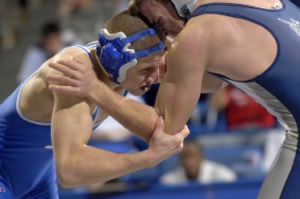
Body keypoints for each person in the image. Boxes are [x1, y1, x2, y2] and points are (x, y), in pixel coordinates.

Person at [46, 0, 300, 198]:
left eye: (158, 22)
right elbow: (216, 80)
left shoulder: (195, 36)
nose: (163, 34)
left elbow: (163, 131)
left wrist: (94, 88)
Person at [0, 11, 189, 199]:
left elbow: (167, 131)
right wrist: (147, 159)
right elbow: (68, 171)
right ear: (116, 61)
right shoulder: (72, 69)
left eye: (157, 67)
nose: (155, 78)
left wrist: (95, 89)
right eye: (147, 69)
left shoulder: (118, 72)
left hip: (39, 180)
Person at [160, 141, 237, 185]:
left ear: (201, 157)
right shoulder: (171, 180)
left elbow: (232, 180)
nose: (189, 162)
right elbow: (163, 183)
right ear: (180, 160)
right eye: (185, 157)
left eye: (193, 156)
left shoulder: (217, 172)